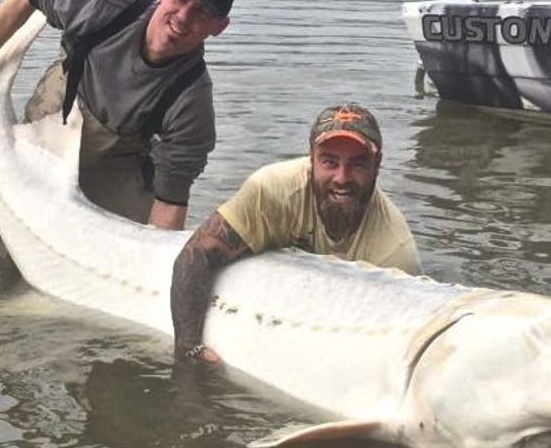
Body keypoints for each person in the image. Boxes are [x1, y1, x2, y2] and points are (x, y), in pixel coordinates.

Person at [0, 0, 236, 231]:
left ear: (219, 28)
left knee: (128, 247)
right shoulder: (106, 4)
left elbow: (171, 201)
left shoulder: (193, 104)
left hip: (115, 160)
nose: (183, 17)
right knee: (16, 232)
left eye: (202, 12)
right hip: (54, 119)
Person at [170, 103, 422, 363]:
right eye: (329, 162)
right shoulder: (273, 191)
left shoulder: (395, 250)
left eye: (357, 164)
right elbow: (195, 255)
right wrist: (189, 349)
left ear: (377, 164)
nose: (341, 177)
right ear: (311, 157)